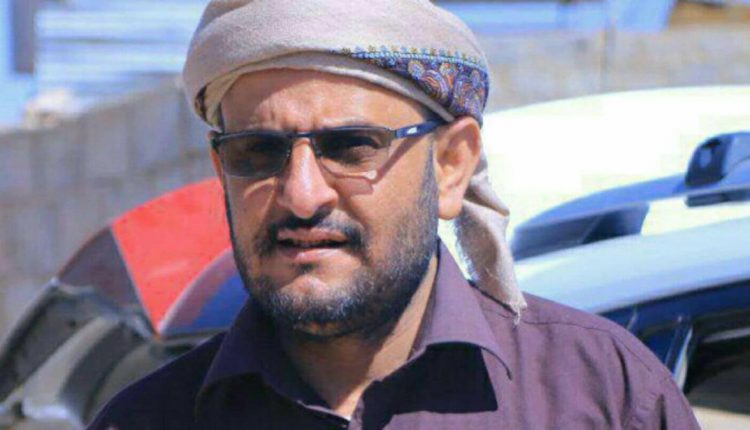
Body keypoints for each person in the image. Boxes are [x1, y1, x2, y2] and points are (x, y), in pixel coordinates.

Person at [88, 1, 700, 429]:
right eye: (258, 152)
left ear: (451, 166)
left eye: (351, 146)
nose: (302, 195)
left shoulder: (600, 394)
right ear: (222, 171)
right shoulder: (147, 419)